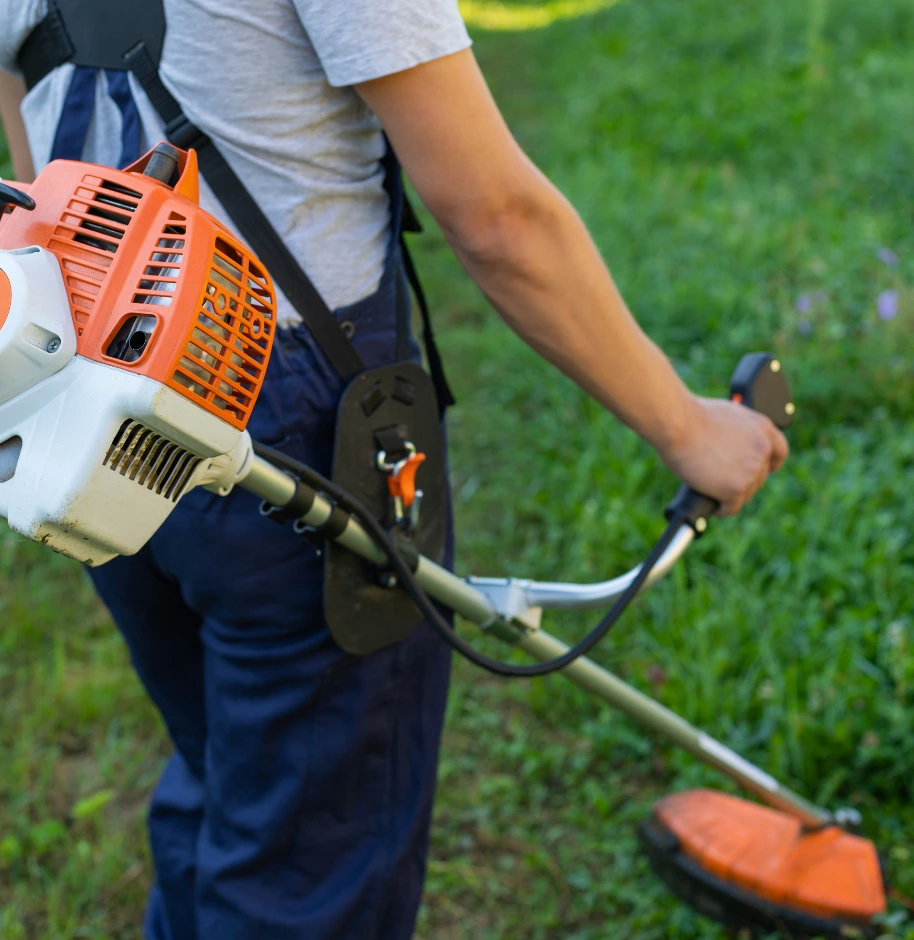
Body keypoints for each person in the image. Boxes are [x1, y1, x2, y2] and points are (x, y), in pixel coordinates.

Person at [0, 2, 789, 938]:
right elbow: (495, 216)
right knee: (310, 846)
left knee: (226, 771)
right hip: (276, 400)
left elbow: (33, 178)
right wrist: (688, 430)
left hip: (86, 398)